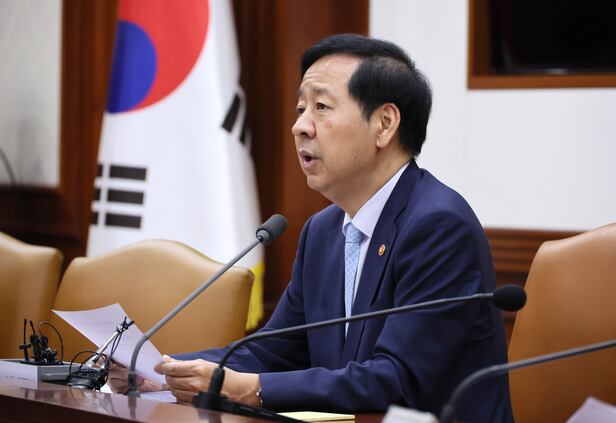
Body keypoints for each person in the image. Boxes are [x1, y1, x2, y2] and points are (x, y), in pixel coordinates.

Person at [109, 33, 513, 422]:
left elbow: (396, 380)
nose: (300, 126)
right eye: (300, 109)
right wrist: (160, 371)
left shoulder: (439, 227)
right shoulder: (323, 231)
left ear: (384, 124)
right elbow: (272, 351)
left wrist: (252, 389)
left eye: (321, 107)